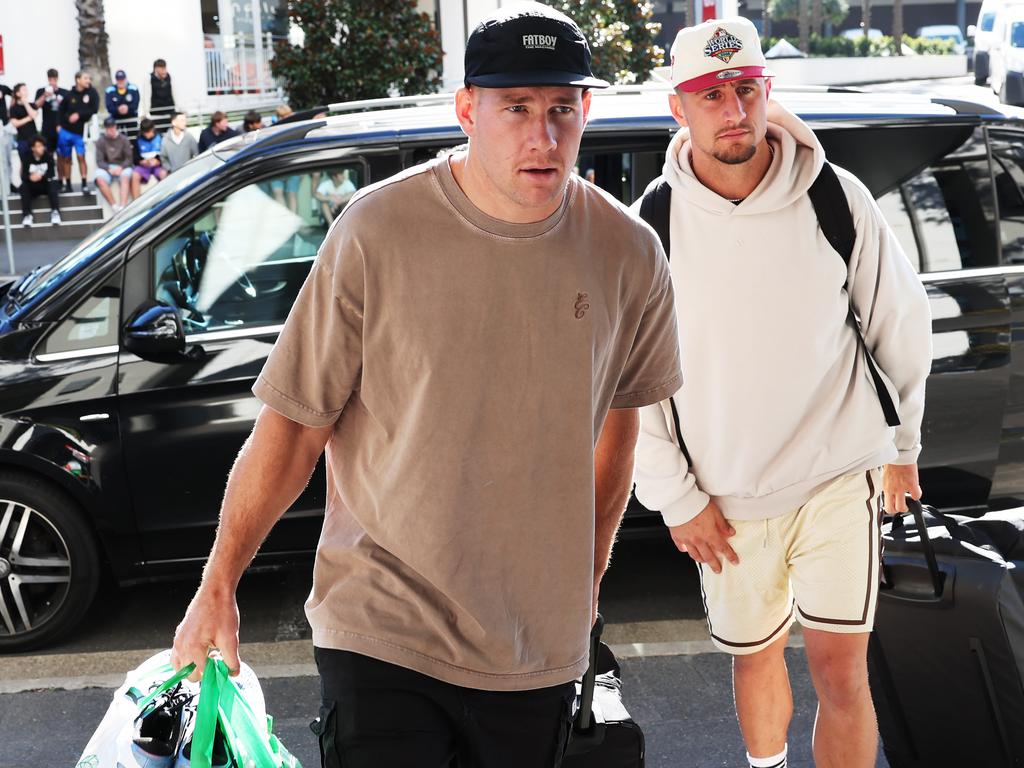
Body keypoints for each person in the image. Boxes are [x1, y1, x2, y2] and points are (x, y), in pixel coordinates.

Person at [170, 4, 682, 766]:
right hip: (381, 627)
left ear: (586, 112)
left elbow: (620, 428)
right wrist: (219, 581)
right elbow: (294, 425)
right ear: (468, 110)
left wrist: (587, 585)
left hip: (534, 647)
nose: (543, 136)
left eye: (561, 110)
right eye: (516, 109)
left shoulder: (629, 253)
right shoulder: (376, 231)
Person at [632, 18, 932, 768]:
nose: (731, 111)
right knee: (755, 658)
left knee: (841, 669)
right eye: (710, 95)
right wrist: (678, 498)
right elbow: (632, 385)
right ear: (680, 108)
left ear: (766, 93)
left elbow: (899, 321)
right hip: (725, 496)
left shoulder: (833, 194)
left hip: (839, 469)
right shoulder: (655, 225)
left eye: (744, 91)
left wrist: (903, 448)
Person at [57, 71, 99, 194]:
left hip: (80, 133)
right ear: (78, 80)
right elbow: (61, 110)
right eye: (85, 78)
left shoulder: (92, 93)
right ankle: (68, 184)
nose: (88, 81)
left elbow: (94, 109)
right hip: (66, 131)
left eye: (89, 78)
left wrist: (79, 115)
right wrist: (59, 125)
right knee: (66, 158)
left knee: (81, 156)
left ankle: (84, 183)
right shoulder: (69, 95)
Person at [94, 116, 133, 212]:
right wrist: (108, 169)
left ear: (116, 127)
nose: (110, 130)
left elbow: (129, 159)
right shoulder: (101, 141)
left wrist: (121, 167)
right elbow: (99, 161)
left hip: (123, 166)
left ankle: (123, 206)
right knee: (99, 178)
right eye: (108, 128)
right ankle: (114, 206)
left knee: (125, 176)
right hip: (108, 167)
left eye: (112, 127)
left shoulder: (124, 139)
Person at [19, 135, 60, 226]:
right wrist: (30, 177)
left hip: (45, 184)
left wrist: (42, 176)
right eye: (38, 146)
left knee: (53, 183)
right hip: (32, 185)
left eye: (42, 146)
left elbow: (52, 173)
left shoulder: (48, 156)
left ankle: (55, 212)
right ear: (33, 148)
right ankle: (27, 215)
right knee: (23, 187)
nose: (41, 148)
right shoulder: (26, 158)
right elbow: (23, 176)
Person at [34, 69, 68, 161]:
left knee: (62, 155)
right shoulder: (41, 91)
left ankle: (62, 176)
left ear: (57, 79)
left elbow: (69, 109)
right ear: (48, 79)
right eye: (50, 79)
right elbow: (35, 106)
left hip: (61, 127)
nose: (52, 81)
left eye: (54, 79)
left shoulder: (64, 92)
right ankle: (50, 174)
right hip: (47, 127)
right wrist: (44, 96)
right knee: (47, 154)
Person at [131, 117, 167, 198]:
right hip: (143, 166)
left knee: (163, 174)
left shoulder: (160, 137)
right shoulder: (138, 139)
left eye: (149, 132)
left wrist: (158, 161)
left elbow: (165, 155)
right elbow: (135, 158)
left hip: (158, 165)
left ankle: (164, 199)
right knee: (135, 175)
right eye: (145, 132)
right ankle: (136, 202)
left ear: (153, 129)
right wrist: (141, 162)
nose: (148, 135)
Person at [8, 83, 39, 166]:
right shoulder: (13, 108)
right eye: (24, 90)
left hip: (34, 138)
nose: (26, 91)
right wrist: (28, 119)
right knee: (24, 163)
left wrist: (25, 103)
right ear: (18, 93)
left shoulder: (32, 105)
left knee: (36, 162)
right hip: (22, 140)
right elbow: (14, 123)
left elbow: (33, 115)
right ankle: (24, 178)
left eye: (26, 89)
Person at [105, 69, 140, 135]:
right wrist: (118, 109)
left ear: (125, 79)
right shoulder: (110, 90)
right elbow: (109, 106)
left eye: (122, 79)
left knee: (133, 137)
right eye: (118, 79)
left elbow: (135, 104)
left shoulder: (133, 88)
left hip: (131, 119)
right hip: (116, 120)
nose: (120, 81)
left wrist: (128, 108)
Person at [146, 58, 176, 133]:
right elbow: (146, 97)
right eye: (162, 68)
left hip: (170, 113)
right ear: (156, 69)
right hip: (156, 115)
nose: (164, 70)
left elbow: (175, 93)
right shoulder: (149, 79)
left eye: (165, 68)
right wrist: (145, 113)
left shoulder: (169, 77)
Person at [0, 82, 12, 193]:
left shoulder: (3, 87)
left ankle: (9, 184)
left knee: (7, 159)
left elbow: (14, 95)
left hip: (4, 128)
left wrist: (10, 111)